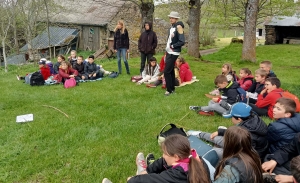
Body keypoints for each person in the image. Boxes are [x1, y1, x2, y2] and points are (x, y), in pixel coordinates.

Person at [102, 134, 211, 183]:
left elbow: (154, 180)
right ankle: (142, 170)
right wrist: (147, 171)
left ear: (176, 157)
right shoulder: (194, 159)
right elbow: (163, 162)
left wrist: (132, 179)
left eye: (165, 153)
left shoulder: (179, 174)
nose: (163, 155)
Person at [187, 102, 268, 160]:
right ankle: (200, 134)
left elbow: (244, 154)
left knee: (214, 152)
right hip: (238, 145)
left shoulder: (247, 134)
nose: (231, 119)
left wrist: (227, 147)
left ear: (239, 119)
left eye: (232, 117)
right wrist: (221, 131)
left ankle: (210, 149)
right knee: (216, 138)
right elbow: (235, 132)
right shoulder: (252, 118)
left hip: (244, 156)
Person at [164, 11, 185, 96]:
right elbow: (169, 39)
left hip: (174, 52)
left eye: (172, 18)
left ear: (176, 19)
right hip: (169, 51)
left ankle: (169, 90)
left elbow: (182, 41)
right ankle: (172, 88)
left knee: (166, 71)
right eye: (170, 18)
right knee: (171, 70)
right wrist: (167, 48)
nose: (171, 19)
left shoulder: (179, 27)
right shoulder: (171, 28)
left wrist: (173, 45)